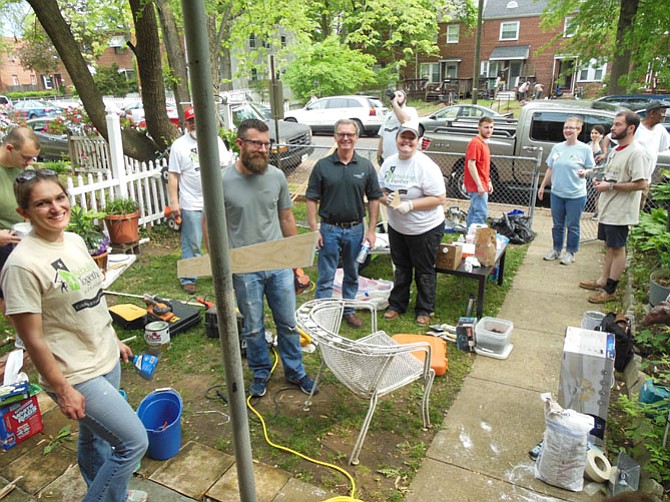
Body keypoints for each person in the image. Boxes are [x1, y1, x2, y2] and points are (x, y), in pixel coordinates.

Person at [0, 169, 149, 502]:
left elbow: (89, 302)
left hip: (104, 356)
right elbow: (32, 339)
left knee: (94, 437)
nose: (55, 208)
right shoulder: (22, 266)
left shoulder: (75, 241)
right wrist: (64, 390)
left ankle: (114, 498)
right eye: (42, 203)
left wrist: (114, 340)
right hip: (74, 372)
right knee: (133, 442)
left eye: (59, 198)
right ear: (24, 213)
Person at [221, 118, 317, 398]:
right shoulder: (223, 180)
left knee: (287, 322)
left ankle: (295, 371)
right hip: (244, 268)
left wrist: (295, 262)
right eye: (256, 143)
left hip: (278, 265)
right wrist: (219, 263)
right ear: (240, 144)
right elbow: (210, 224)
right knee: (253, 327)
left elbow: (287, 217)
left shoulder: (276, 176)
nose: (263, 149)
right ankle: (261, 370)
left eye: (266, 144)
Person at [306, 119, 382, 328]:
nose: (345, 138)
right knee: (326, 275)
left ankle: (348, 310)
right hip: (329, 229)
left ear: (357, 137)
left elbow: (374, 198)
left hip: (356, 230)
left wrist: (372, 230)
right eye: (341, 134)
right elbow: (311, 198)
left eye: (350, 134)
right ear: (335, 137)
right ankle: (322, 314)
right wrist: (315, 230)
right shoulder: (322, 166)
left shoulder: (365, 166)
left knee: (352, 273)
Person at [379, 122, 446, 326]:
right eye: (403, 137)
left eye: (411, 138)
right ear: (396, 139)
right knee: (401, 267)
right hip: (398, 227)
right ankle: (397, 304)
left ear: (418, 142)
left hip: (425, 227)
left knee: (424, 269)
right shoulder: (389, 163)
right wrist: (388, 200)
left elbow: (439, 198)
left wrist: (410, 206)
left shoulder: (425, 165)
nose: (406, 142)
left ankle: (424, 309)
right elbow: (379, 190)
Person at [579, 111, 648, 303]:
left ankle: (610, 291)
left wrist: (609, 186)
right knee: (608, 246)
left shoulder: (636, 152)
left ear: (631, 128)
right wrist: (603, 182)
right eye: (614, 124)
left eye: (618, 125)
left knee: (617, 249)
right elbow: (614, 176)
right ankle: (603, 280)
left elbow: (641, 184)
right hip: (608, 209)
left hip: (621, 212)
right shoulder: (617, 150)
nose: (612, 128)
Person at [168, 106, 233, 294]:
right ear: (186, 124)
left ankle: (222, 272)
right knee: (193, 241)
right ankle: (189, 277)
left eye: (198, 120)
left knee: (219, 239)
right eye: (191, 121)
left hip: (215, 201)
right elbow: (173, 176)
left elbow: (225, 170)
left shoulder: (216, 141)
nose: (194, 124)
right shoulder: (179, 146)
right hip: (191, 202)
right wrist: (174, 202)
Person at [538, 117, 595, 265]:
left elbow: (591, 167)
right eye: (566, 128)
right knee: (557, 224)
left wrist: (586, 172)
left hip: (576, 195)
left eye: (571, 128)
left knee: (573, 225)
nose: (568, 130)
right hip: (557, 193)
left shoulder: (585, 149)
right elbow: (551, 167)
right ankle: (556, 249)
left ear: (579, 130)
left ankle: (570, 252)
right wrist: (543, 185)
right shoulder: (557, 148)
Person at [0, 127, 40, 317]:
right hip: (3, 243)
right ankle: (22, 337)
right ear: (9, 148)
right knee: (11, 295)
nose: (29, 163)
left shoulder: (25, 170)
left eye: (33, 158)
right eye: (26, 157)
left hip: (25, 238)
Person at [634, 101, 670, 208]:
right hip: (630, 180)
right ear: (652, 113)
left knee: (638, 211)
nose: (664, 115)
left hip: (645, 180)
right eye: (662, 112)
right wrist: (604, 153)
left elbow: (666, 146)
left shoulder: (660, 130)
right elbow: (609, 138)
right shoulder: (636, 128)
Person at [464, 116, 494, 229]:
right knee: (481, 215)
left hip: (483, 183)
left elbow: (483, 167)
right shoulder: (476, 143)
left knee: (473, 213)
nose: (489, 130)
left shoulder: (484, 143)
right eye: (486, 127)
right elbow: (471, 164)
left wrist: (488, 181)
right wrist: (479, 185)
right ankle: (476, 241)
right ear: (479, 128)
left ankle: (469, 239)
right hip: (477, 187)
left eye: (491, 127)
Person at [377, 90, 419, 165]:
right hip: (387, 159)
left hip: (402, 158)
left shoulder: (410, 111)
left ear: (405, 99)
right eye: (395, 95)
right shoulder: (388, 115)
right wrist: (379, 153)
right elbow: (383, 135)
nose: (396, 98)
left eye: (399, 96)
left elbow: (404, 120)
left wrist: (394, 103)